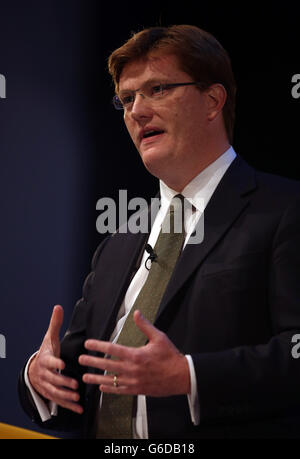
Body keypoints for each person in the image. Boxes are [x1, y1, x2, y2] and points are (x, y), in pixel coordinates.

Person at [19, 24, 300, 439]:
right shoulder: (119, 241)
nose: (136, 111)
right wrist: (40, 376)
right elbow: (80, 376)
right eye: (127, 99)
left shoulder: (283, 209)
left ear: (212, 100)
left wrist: (190, 377)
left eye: (158, 90)